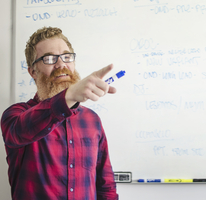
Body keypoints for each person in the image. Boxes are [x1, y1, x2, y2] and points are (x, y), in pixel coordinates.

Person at [1, 27, 119, 200]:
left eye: (66, 56)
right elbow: (19, 132)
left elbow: (105, 184)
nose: (61, 64)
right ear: (33, 71)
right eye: (49, 59)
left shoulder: (92, 120)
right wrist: (68, 95)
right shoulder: (16, 115)